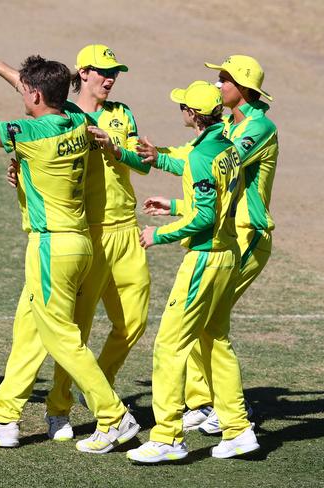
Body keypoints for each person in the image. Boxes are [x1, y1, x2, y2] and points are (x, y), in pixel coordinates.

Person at [0, 34, 139, 454]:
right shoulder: (75, 119)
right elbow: (38, 89)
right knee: (29, 331)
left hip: (51, 247)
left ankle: (113, 415)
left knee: (62, 338)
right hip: (78, 245)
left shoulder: (31, 132)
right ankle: (5, 418)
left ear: (34, 95)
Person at [139, 56, 278, 435]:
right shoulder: (231, 124)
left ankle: (224, 408)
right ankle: (208, 404)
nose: (217, 86)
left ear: (243, 87)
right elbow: (204, 162)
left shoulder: (258, 127)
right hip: (227, 229)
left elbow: (217, 164)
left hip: (246, 234)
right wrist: (161, 159)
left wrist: (166, 162)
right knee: (206, 325)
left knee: (207, 326)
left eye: (223, 79)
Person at [126, 81, 259, 463]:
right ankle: (238, 429)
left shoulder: (203, 155)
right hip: (227, 256)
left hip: (203, 260)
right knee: (216, 342)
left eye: (183, 105)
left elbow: (205, 216)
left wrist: (159, 234)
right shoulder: (226, 148)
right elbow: (214, 200)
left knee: (169, 345)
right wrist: (173, 205)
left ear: (193, 115)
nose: (180, 109)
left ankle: (167, 437)